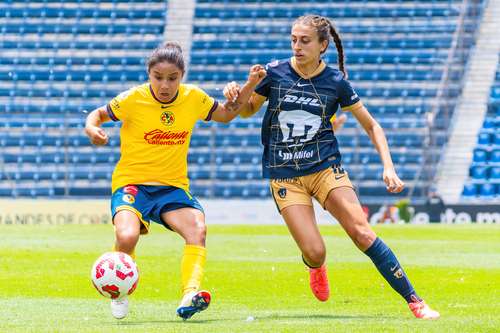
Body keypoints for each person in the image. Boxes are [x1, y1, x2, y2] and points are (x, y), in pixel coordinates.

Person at [223, 15, 439, 319]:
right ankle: (316, 266)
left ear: (323, 45)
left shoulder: (336, 82)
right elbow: (243, 112)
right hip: (285, 175)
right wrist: (245, 86)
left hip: (325, 168)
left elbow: (372, 126)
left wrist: (388, 167)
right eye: (294, 39)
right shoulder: (273, 72)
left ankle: (415, 301)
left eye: (305, 40)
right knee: (315, 252)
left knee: (362, 233)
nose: (297, 46)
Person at [84, 41, 266, 320]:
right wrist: (92, 128)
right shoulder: (133, 98)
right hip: (133, 183)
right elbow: (98, 113)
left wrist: (251, 83)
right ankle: (118, 290)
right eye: (158, 78)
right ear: (149, 75)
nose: (165, 85)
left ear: (182, 76)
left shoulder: (194, 97)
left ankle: (190, 294)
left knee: (198, 230)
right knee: (127, 236)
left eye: (172, 78)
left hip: (172, 188)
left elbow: (228, 114)